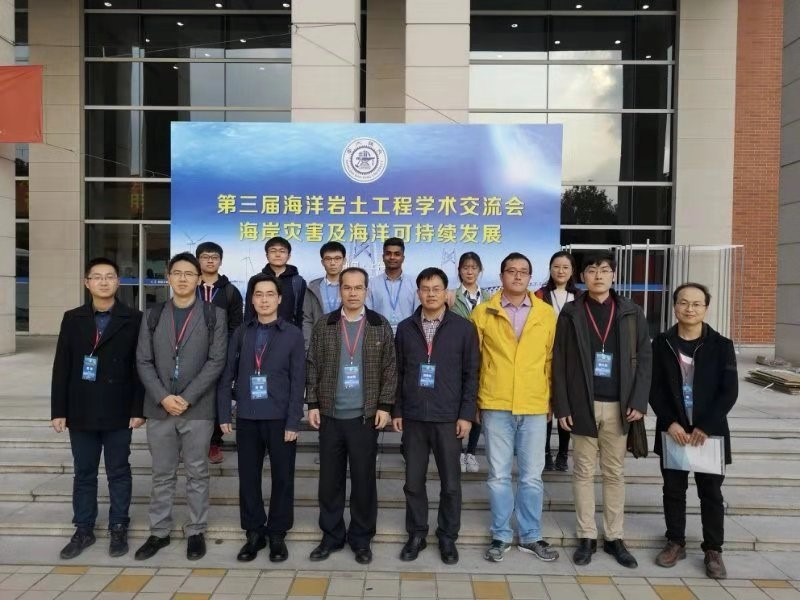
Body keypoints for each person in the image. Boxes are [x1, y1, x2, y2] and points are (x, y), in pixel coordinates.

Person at [552, 250, 651, 569]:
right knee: (582, 471)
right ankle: (586, 536)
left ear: (614, 275)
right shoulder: (571, 312)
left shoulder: (631, 311)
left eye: (605, 270)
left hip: (620, 406)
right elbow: (559, 361)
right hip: (583, 404)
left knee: (614, 472)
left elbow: (645, 358)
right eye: (592, 270)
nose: (598, 275)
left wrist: (638, 400)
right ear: (582, 276)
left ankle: (614, 537)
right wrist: (562, 405)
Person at [135, 252, 227, 561]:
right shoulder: (152, 314)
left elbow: (216, 361)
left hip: (197, 409)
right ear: (168, 277)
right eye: (177, 273)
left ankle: (196, 530)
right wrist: (163, 397)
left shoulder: (214, 315)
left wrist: (187, 397)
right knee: (162, 473)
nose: (183, 278)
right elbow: (143, 360)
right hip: (159, 408)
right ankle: (159, 531)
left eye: (189, 273)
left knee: (197, 472)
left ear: (200, 279)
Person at [51, 257, 144, 559]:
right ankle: (84, 528)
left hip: (119, 409)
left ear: (118, 281)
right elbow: (62, 366)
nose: (104, 282)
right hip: (81, 408)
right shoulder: (72, 318)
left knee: (119, 471)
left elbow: (140, 367)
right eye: (97, 277)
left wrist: (138, 409)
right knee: (84, 472)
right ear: (87, 282)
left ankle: (118, 526)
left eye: (110, 276)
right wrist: (58, 409)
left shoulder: (134, 319)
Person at [471, 252, 559, 564]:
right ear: (502, 276)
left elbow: (551, 360)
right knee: (498, 475)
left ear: (530, 277)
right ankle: (501, 535)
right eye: (511, 271)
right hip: (495, 403)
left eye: (523, 271)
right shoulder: (483, 312)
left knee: (532, 476)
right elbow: (475, 361)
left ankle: (531, 535)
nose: (518, 276)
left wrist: (551, 401)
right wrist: (474, 402)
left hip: (534, 404)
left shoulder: (546, 313)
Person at [306, 267, 397, 565]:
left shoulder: (379, 325)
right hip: (330, 416)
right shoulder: (325, 324)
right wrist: (313, 403)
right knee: (329, 482)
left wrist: (385, 405)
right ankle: (331, 536)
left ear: (366, 291)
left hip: (364, 418)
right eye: (347, 287)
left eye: (359, 288)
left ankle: (361, 539)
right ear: (340, 290)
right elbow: (312, 365)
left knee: (363, 481)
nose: (353, 293)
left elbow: (390, 369)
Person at [650, 283, 738, 580]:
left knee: (710, 493)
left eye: (696, 304)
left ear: (706, 308)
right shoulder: (661, 343)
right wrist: (669, 422)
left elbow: (729, 392)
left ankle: (713, 550)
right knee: (673, 490)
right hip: (673, 431)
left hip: (708, 435)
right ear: (675, 306)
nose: (690, 308)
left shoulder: (721, 345)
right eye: (684, 302)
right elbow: (654, 388)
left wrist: (706, 426)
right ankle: (675, 542)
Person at [393, 267, 479, 565]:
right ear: (418, 293)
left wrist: (466, 415)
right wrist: (398, 410)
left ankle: (447, 536)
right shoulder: (406, 328)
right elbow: (398, 372)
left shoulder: (463, 328)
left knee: (451, 484)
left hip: (448, 418)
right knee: (413, 483)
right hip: (414, 418)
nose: (430, 294)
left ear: (446, 292)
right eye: (425, 289)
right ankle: (416, 534)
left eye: (436, 289)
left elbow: (471, 374)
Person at [217, 274, 305, 563]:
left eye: (270, 294)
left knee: (283, 477)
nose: (264, 300)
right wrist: (223, 412)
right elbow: (227, 374)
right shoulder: (242, 332)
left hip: (280, 418)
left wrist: (294, 421)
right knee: (249, 477)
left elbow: (298, 381)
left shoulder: (292, 334)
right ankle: (254, 532)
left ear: (279, 299)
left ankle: (278, 533)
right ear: (252, 299)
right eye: (258, 294)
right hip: (248, 416)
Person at [195, 241, 244, 464]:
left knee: (217, 397)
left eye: (214, 257)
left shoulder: (230, 292)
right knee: (193, 396)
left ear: (220, 261)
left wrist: (228, 353)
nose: (210, 260)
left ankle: (214, 442)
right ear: (198, 260)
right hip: (191, 354)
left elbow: (236, 327)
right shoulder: (190, 287)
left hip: (220, 355)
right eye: (205, 257)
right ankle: (192, 442)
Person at [535, 251, 583, 473]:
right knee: (545, 407)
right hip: (544, 358)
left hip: (571, 359)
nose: (560, 271)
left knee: (567, 406)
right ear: (550, 269)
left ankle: (563, 453)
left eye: (565, 267)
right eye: (556, 266)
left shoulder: (580, 297)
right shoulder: (539, 295)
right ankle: (545, 453)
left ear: (572, 271)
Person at [447, 252, 488, 475]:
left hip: (484, 357)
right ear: (459, 271)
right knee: (458, 403)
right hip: (457, 357)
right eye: (465, 267)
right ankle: (458, 451)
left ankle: (470, 452)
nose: (469, 271)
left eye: (473, 267)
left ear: (480, 270)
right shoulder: (451, 297)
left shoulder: (490, 298)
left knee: (477, 403)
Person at [245, 236, 306, 327]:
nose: (277, 254)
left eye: (282, 251)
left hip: (289, 332)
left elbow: (302, 314)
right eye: (273, 251)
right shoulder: (256, 280)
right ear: (267, 256)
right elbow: (249, 312)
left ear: (288, 256)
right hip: (260, 331)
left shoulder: (298, 281)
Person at [366, 237, 419, 334]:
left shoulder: (414, 283)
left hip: (408, 335)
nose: (392, 257)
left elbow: (418, 314)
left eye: (397, 254)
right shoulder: (371, 284)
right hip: (380, 335)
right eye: (388, 253)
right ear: (383, 257)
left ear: (403, 258)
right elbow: (368, 314)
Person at [303, 241, 346, 350]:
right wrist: (308, 347)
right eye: (328, 259)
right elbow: (307, 320)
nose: (333, 263)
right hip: (319, 345)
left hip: (346, 345)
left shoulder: (352, 287)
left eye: (337, 258)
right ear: (322, 262)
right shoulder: (313, 288)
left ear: (344, 260)